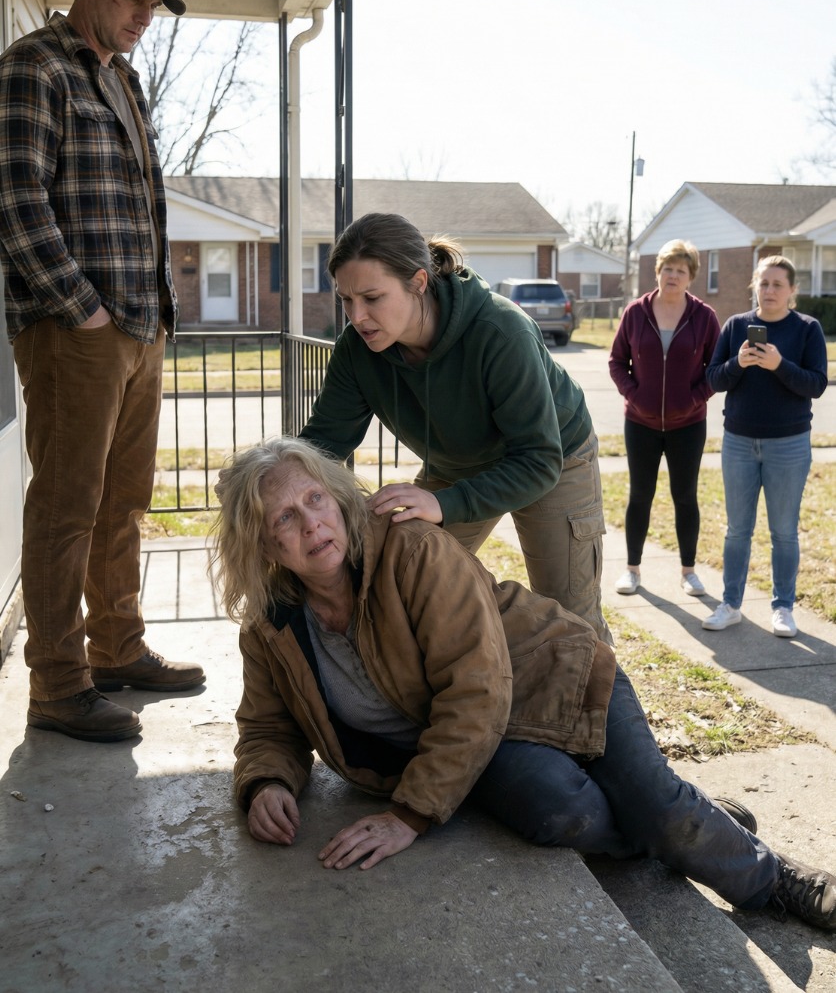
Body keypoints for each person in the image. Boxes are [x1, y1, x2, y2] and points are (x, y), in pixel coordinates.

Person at [212, 437, 836, 933]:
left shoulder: (411, 551)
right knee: (563, 813)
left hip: (556, 677)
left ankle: (775, 880)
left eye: (316, 499)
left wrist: (409, 814)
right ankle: (678, 824)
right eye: (285, 517)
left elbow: (475, 688)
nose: (311, 524)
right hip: (478, 742)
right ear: (263, 544)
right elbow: (267, 725)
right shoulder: (272, 625)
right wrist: (266, 782)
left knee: (660, 805)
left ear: (337, 497)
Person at [0, 0, 205, 743]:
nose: (145, 16)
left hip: (139, 325)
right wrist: (79, 307)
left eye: (155, 5)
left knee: (123, 501)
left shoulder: (124, 79)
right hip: (74, 330)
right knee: (66, 506)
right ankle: (57, 684)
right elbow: (14, 198)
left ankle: (116, 646)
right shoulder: (35, 66)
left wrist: (154, 314)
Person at [299, 211, 612, 646]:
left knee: (570, 618)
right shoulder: (357, 349)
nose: (357, 316)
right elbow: (323, 442)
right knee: (404, 583)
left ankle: (601, 691)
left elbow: (539, 460)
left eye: (372, 297)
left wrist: (444, 502)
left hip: (553, 459)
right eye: (346, 300)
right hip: (457, 463)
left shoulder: (501, 331)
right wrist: (266, 474)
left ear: (419, 282)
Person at [704, 256, 827, 637]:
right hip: (739, 442)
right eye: (764, 283)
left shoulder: (807, 329)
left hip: (789, 444)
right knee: (737, 531)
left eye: (777, 284)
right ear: (754, 286)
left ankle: (783, 608)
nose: (770, 290)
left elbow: (816, 384)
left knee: (784, 532)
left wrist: (778, 364)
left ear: (792, 290)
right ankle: (730, 605)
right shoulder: (735, 326)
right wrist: (738, 363)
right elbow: (714, 379)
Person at [608, 239, 720, 597]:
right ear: (657, 272)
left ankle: (689, 572)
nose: (673, 276)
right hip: (640, 423)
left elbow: (715, 369)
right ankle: (632, 569)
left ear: (691, 277)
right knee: (640, 495)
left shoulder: (704, 317)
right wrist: (635, 395)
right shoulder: (635, 313)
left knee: (685, 496)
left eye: (680, 271)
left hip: (689, 424)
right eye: (667, 269)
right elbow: (617, 362)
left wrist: (692, 400)